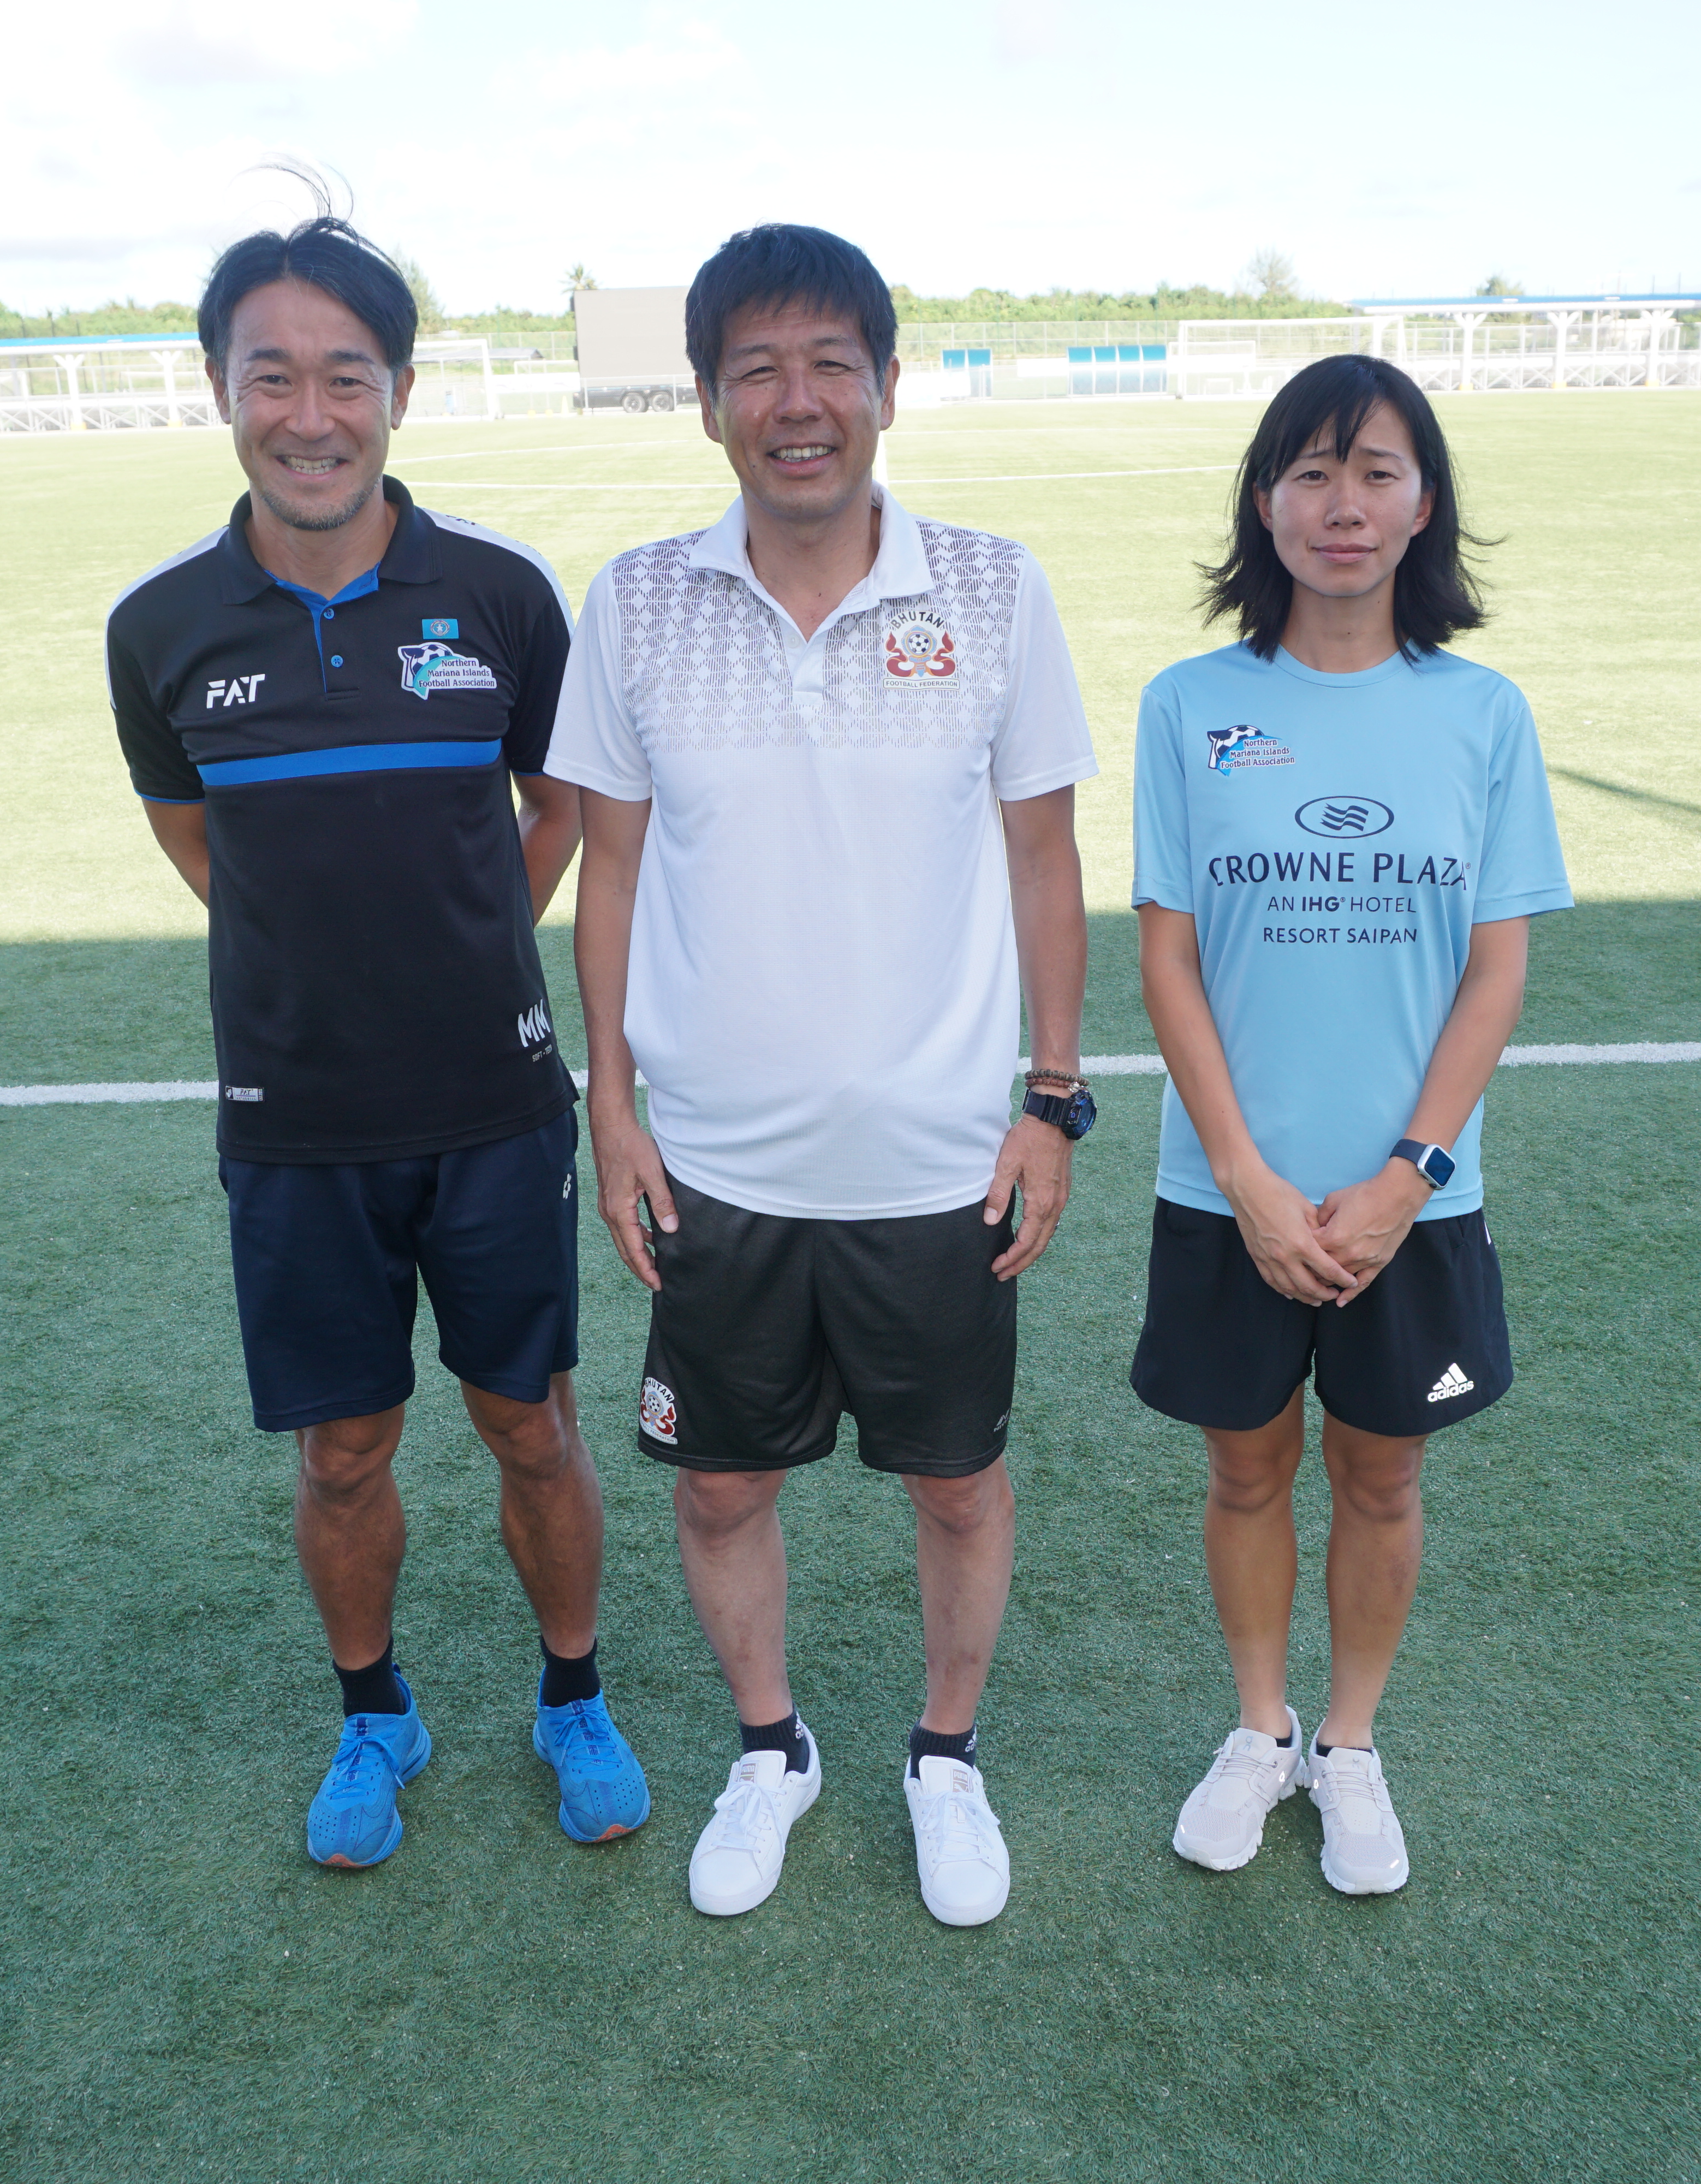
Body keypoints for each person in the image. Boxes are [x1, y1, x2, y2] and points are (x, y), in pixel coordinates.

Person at [546, 224, 1097, 1927]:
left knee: (957, 1480)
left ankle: (945, 1755)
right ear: (708, 401)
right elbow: (614, 876)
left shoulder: (993, 587)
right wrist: (613, 1108)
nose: (799, 404)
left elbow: (1045, 862)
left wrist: (1052, 1097)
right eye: (758, 371)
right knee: (720, 1485)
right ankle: (773, 1747)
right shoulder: (638, 597)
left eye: (830, 367)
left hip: (939, 1163)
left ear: (885, 385)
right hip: (716, 1166)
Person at [104, 215, 647, 1870]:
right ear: (221, 391)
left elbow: (554, 809)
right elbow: (197, 840)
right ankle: (375, 1715)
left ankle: (573, 1697)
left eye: (348, 373)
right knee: (343, 1450)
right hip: (291, 1123)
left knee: (530, 1422)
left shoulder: (495, 595)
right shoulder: (161, 627)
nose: (312, 411)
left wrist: (472, 933)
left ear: (400, 390)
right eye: (274, 374)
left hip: (493, 1104)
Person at [1129, 354, 1571, 1896]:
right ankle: (1260, 1732)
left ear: (1423, 501)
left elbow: (1497, 970)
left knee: (1383, 1480)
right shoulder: (1192, 706)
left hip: (1414, 1208)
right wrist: (1246, 1176)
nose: (1343, 504)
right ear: (1264, 500)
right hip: (1229, 1195)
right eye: (1311, 472)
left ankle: (1354, 1745)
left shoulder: (1481, 713)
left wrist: (1408, 1174)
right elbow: (1167, 955)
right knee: (1245, 1474)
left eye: (1377, 471)